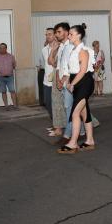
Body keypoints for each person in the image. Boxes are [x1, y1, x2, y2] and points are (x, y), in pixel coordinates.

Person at [57, 25, 96, 154]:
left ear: (79, 35)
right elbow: (71, 69)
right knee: (85, 113)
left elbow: (83, 71)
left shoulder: (83, 51)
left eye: (71, 34)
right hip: (77, 81)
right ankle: (89, 140)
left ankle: (73, 143)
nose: (69, 36)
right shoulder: (73, 50)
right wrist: (66, 80)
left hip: (84, 82)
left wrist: (72, 84)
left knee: (75, 113)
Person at [48, 22, 70, 140]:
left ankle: (71, 131)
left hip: (67, 79)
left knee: (70, 106)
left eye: (58, 32)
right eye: (55, 32)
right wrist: (53, 50)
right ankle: (62, 128)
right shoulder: (60, 46)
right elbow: (52, 62)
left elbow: (69, 66)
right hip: (58, 79)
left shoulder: (69, 46)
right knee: (60, 104)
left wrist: (62, 80)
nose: (56, 35)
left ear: (66, 32)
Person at [0, 43, 18, 110]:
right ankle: (6, 106)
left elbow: (14, 65)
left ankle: (15, 106)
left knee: (12, 91)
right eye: (1, 48)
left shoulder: (11, 56)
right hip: (0, 77)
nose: (2, 49)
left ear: (6, 48)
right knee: (3, 92)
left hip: (10, 77)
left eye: (4, 47)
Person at [41, 28, 56, 123]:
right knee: (47, 102)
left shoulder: (60, 48)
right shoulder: (44, 49)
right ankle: (56, 122)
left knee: (58, 104)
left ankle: (58, 125)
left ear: (55, 35)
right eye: (46, 34)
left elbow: (54, 64)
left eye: (50, 34)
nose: (48, 36)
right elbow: (47, 65)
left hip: (56, 80)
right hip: (46, 81)